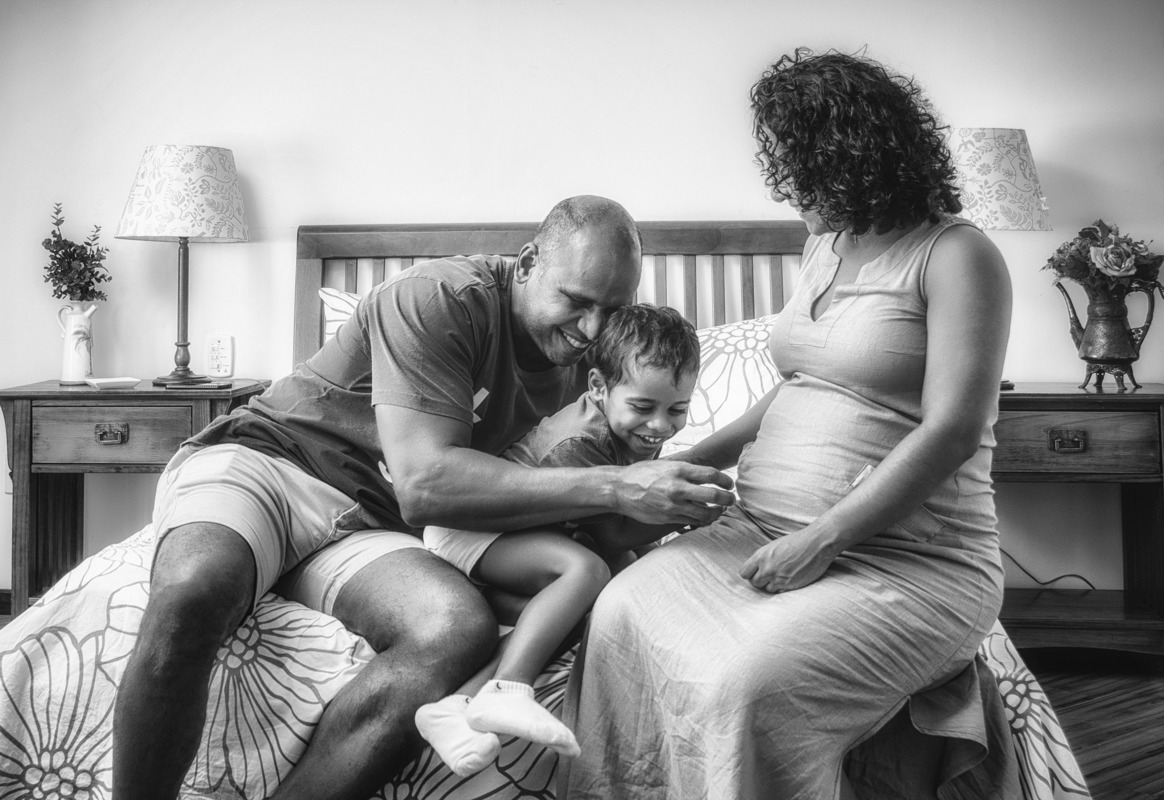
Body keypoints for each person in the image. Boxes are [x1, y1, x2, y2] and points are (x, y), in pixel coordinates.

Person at [111, 194, 735, 800]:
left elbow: (601, 510)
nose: (590, 329)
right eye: (575, 301)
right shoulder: (438, 299)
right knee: (197, 586)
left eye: (613, 307)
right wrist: (620, 487)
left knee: (456, 629)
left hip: (372, 527)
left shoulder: (610, 365)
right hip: (273, 462)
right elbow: (425, 484)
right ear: (526, 263)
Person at [561, 49, 1013, 800]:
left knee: (747, 682)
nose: (793, 188)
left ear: (858, 160)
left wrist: (823, 537)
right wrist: (697, 453)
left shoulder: (958, 255)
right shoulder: (823, 245)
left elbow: (954, 430)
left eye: (805, 169)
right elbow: (803, 384)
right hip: (759, 526)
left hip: (909, 560)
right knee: (618, 611)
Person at [415, 303, 701, 776]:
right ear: (598, 388)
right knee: (588, 571)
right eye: (644, 408)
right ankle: (511, 688)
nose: (660, 427)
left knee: (597, 596)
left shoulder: (633, 431)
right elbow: (611, 533)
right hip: (471, 527)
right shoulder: (579, 443)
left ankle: (457, 705)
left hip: (531, 532)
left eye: (679, 410)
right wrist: (684, 516)